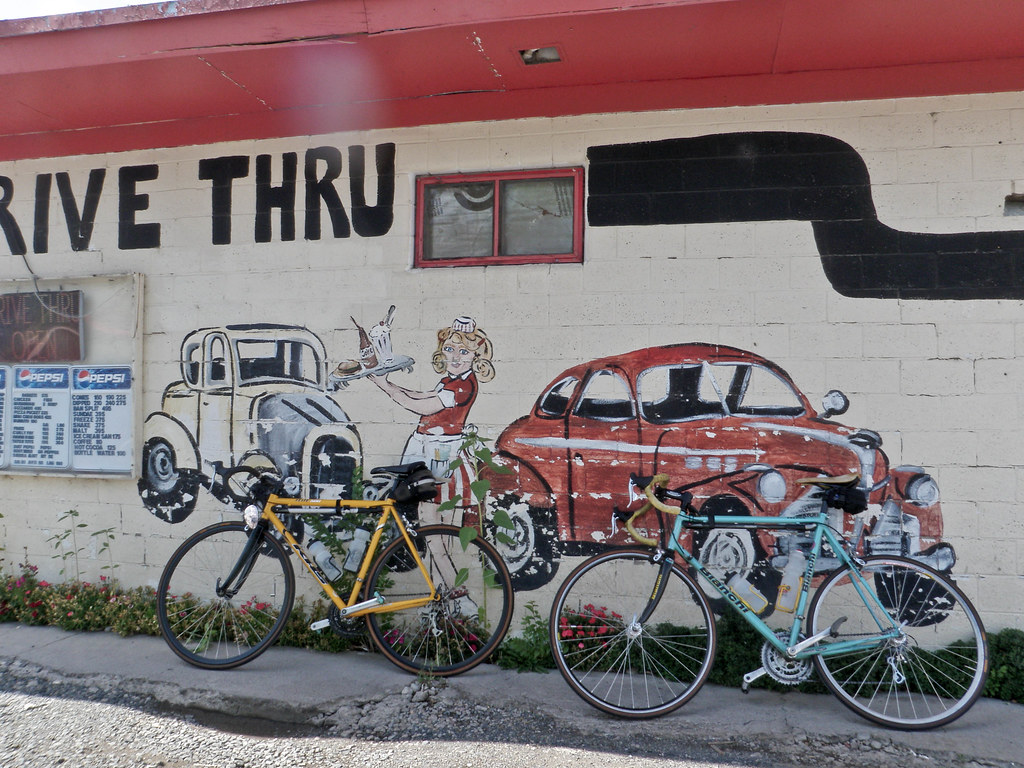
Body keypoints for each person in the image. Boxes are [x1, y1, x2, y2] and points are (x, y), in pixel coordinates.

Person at [369, 316, 495, 514]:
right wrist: (387, 384)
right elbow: (420, 396)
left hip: (441, 448)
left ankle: (424, 542)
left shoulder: (463, 386)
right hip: (428, 443)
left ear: (475, 357)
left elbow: (424, 407)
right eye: (449, 349)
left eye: (463, 352)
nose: (455, 357)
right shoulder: (449, 380)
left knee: (434, 508)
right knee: (422, 508)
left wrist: (387, 387)